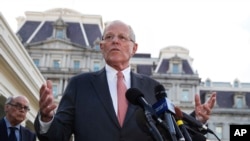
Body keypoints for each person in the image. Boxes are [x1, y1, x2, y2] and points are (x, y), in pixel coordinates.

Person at [34, 20, 216, 141]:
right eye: (109, 37)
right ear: (101, 46)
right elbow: (57, 136)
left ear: (134, 48)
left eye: (122, 37)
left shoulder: (153, 88)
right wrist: (46, 118)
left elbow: (170, 134)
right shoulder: (79, 85)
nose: (115, 41)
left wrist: (196, 120)